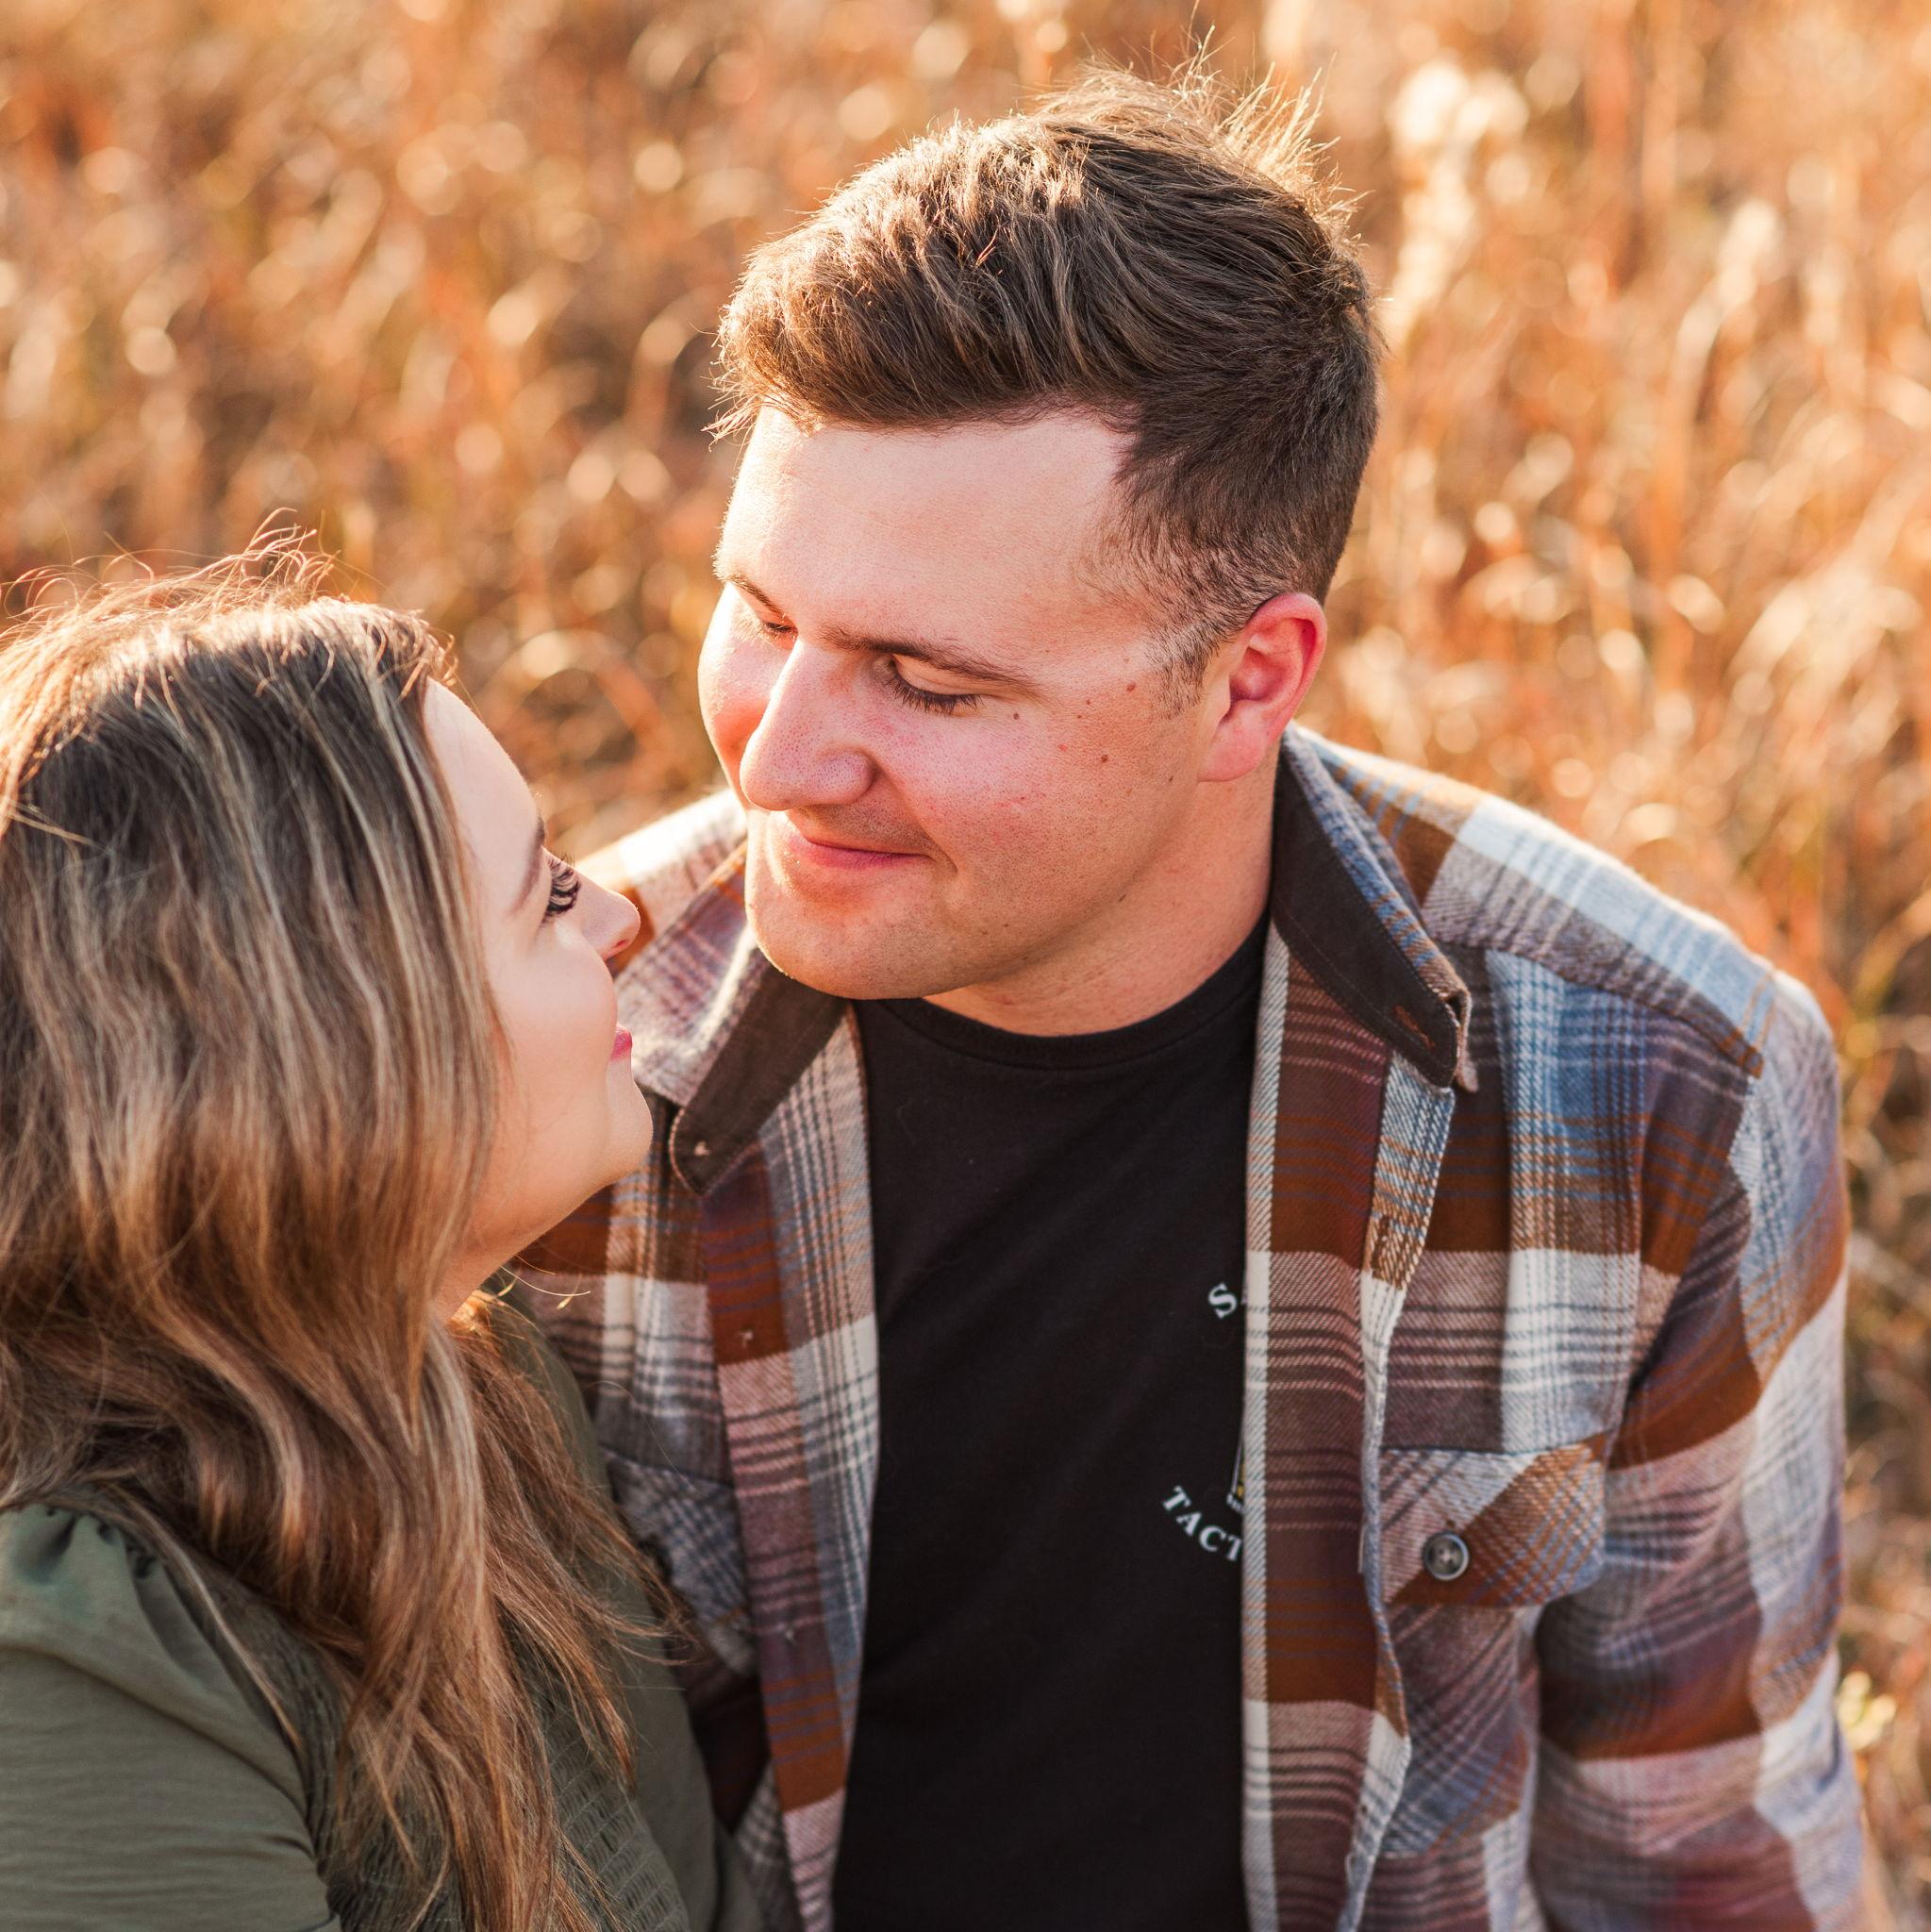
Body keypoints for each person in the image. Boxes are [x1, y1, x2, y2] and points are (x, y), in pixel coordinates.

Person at [522, 69, 1863, 1932]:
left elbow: (1702, 1862)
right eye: (761, 611)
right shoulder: (543, 1057)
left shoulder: (1660, 1089)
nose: (781, 756)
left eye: (928, 681)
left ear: (1250, 684)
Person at [0, 558, 761, 1932]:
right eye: (545, 901)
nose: (619, 920)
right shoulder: (73, 1658)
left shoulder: (473, 1373)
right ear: (352, 1058)